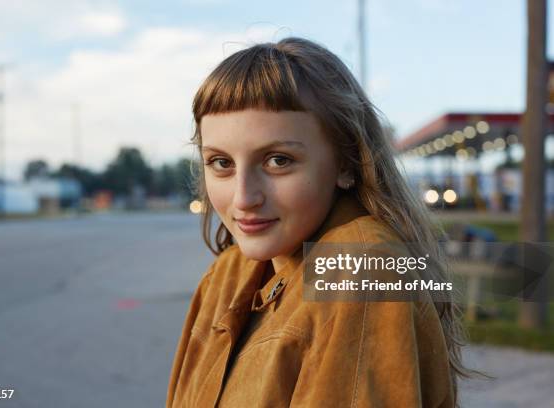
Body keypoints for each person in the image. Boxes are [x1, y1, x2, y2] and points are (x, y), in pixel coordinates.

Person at [167, 37, 468, 407]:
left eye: (278, 161)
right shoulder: (230, 271)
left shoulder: (363, 269)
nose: (244, 198)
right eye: (221, 163)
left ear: (346, 162)